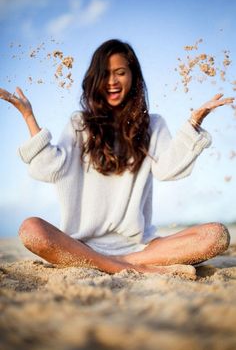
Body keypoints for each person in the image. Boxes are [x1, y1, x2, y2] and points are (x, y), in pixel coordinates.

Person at [0, 39, 234, 278]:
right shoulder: (79, 124)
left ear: (133, 77)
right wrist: (28, 116)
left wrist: (194, 123)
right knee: (31, 229)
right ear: (95, 79)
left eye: (120, 73)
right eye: (105, 74)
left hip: (140, 248)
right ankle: (128, 266)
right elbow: (46, 168)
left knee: (215, 235)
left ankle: (117, 263)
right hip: (81, 246)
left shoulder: (153, 125)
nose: (112, 81)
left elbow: (168, 169)